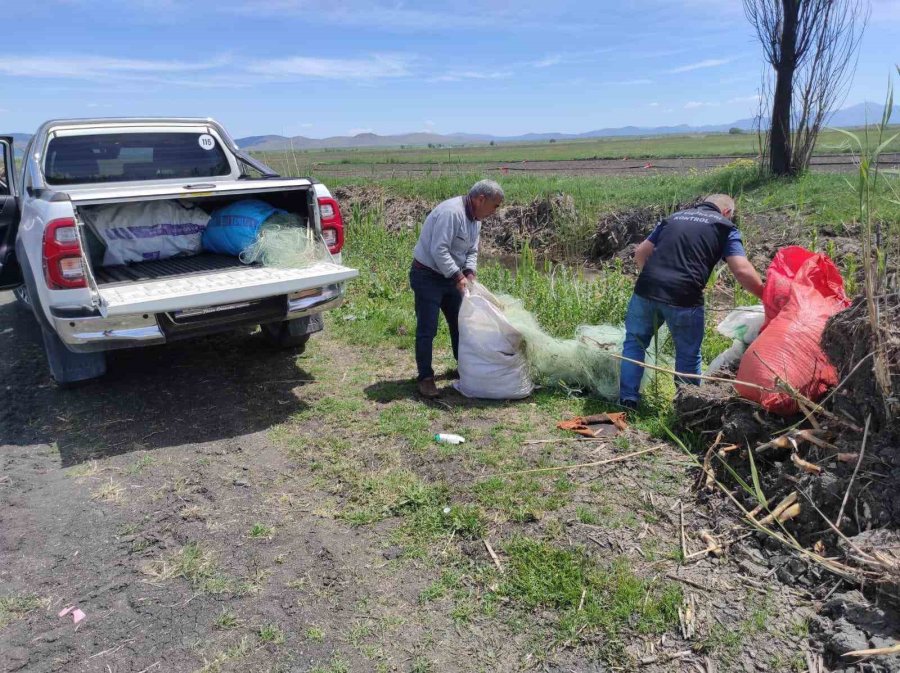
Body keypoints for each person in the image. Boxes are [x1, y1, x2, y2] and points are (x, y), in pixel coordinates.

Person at [618, 194, 764, 409]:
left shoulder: (673, 218)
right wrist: (765, 295)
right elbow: (742, 270)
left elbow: (641, 252)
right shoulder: (725, 226)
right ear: (727, 212)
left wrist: (649, 276)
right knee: (687, 354)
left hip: (646, 290)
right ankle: (685, 407)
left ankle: (628, 400)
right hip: (684, 297)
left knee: (634, 343)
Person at [410, 179, 505, 398]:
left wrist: (469, 272)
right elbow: (439, 250)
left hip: (451, 277)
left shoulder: (477, 218)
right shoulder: (451, 213)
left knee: (461, 323)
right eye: (495, 205)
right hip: (427, 276)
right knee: (428, 328)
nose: (495, 211)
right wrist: (457, 275)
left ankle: (465, 368)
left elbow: (472, 249)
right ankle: (425, 378)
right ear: (481, 199)